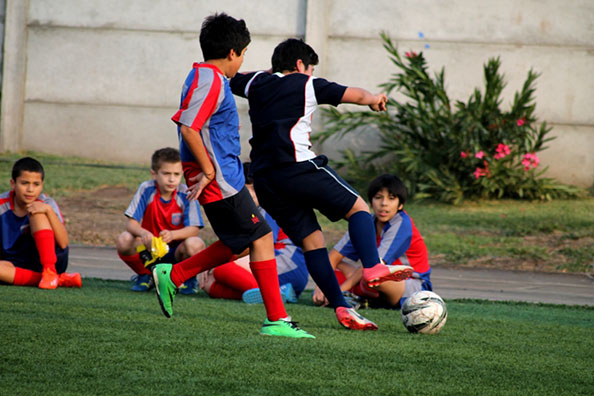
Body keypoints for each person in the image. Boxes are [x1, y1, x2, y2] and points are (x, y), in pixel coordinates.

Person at [230, 38, 413, 331]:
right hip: (298, 167)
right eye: (310, 68)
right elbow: (353, 95)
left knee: (312, 242)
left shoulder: (255, 83)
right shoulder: (307, 84)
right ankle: (373, 266)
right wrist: (374, 99)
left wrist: (269, 72)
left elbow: (228, 77)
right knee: (359, 208)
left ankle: (341, 307)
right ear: (301, 65)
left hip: (265, 180)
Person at [152, 13, 313, 338]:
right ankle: (276, 320)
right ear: (232, 54)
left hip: (226, 179)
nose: (241, 62)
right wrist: (209, 170)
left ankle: (175, 274)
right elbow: (188, 126)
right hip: (220, 181)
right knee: (262, 236)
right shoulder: (210, 79)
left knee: (240, 242)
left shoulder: (207, 76)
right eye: (243, 55)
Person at [313, 174, 432, 309]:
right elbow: (333, 257)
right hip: (375, 277)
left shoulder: (401, 223)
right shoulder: (365, 222)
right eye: (378, 198)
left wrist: (338, 292)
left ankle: (351, 296)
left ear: (401, 205)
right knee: (330, 268)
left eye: (391, 198)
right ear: (370, 202)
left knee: (372, 278)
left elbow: (375, 267)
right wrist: (320, 286)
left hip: (413, 284)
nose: (384, 204)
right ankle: (358, 297)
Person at [199, 163, 308, 304]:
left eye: (254, 189)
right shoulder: (244, 213)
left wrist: (213, 263)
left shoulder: (268, 209)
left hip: (288, 266)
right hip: (277, 270)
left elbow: (259, 245)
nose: (250, 194)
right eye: (245, 189)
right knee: (208, 284)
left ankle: (272, 294)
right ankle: (276, 294)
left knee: (221, 269)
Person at [116, 147, 205, 294]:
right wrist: (144, 233)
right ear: (154, 174)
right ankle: (145, 275)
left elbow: (194, 229)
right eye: (166, 173)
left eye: (176, 174)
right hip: (150, 250)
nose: (171, 179)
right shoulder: (146, 189)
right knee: (125, 239)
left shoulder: (186, 192)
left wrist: (173, 235)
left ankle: (187, 280)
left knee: (195, 243)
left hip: (176, 251)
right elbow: (131, 223)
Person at [0, 157, 81, 289]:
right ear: (13, 184)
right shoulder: (2, 204)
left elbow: (63, 243)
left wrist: (48, 211)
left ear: (42, 185)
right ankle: (58, 280)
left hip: (50, 261)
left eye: (36, 184)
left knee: (36, 211)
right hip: (15, 263)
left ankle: (50, 273)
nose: (30, 189)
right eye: (24, 183)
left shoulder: (47, 204)